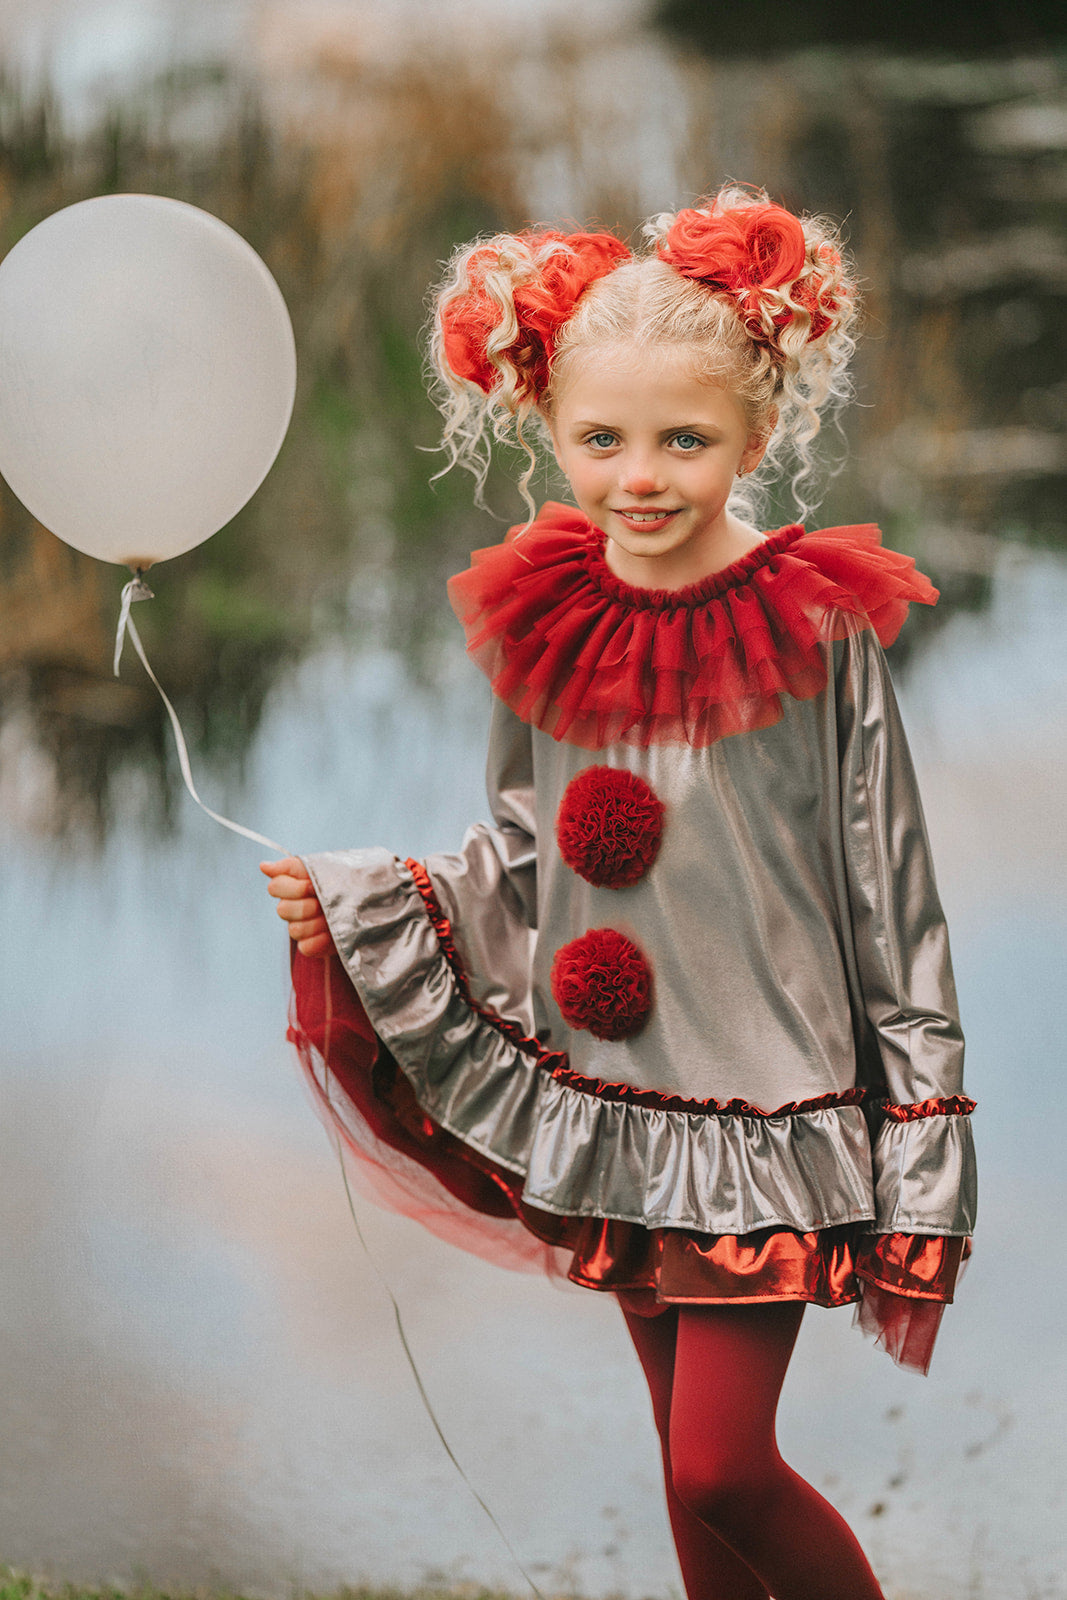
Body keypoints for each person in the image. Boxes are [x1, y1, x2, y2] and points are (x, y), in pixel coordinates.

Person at [261, 184, 976, 1600]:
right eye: (602, 440)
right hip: (618, 1102)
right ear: (552, 432)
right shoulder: (550, 618)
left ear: (757, 436)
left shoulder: (820, 630)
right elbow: (525, 860)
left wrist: (926, 1146)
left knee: (725, 1464)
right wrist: (367, 900)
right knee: (677, 1470)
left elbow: (896, 906)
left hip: (775, 1115)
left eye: (684, 440)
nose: (638, 475)